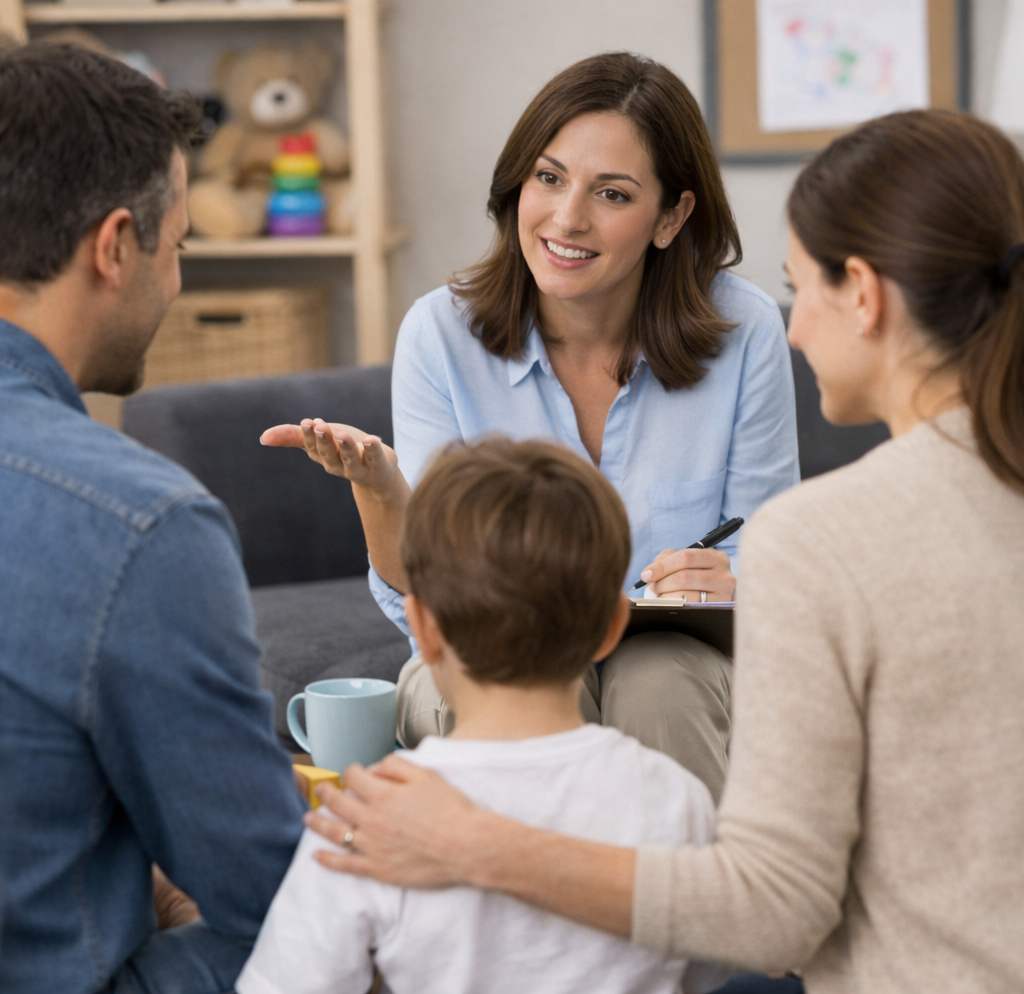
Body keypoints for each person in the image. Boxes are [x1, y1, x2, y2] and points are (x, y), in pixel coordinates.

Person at [303, 108, 1024, 992]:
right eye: (549, 179)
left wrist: (478, 844)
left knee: (661, 685)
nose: (790, 330)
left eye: (801, 291)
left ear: (865, 295)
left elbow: (774, 906)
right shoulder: (931, 514)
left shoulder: (827, 535)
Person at [263, 52, 799, 802]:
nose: (568, 218)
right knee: (528, 697)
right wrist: (384, 492)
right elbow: (430, 592)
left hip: (676, 654)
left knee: (659, 688)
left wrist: (740, 576)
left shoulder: (745, 331)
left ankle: (691, 912)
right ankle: (526, 913)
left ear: (672, 217)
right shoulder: (438, 336)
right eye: (548, 178)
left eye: (612, 193)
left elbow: (768, 550)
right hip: (489, 645)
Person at [0, 44, 305, 993]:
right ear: (116, 245)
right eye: (177, 250)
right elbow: (274, 892)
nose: (174, 285)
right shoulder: (140, 521)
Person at [236, 437, 730, 994]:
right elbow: (711, 972)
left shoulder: (369, 816)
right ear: (614, 626)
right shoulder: (678, 798)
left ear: (422, 628)